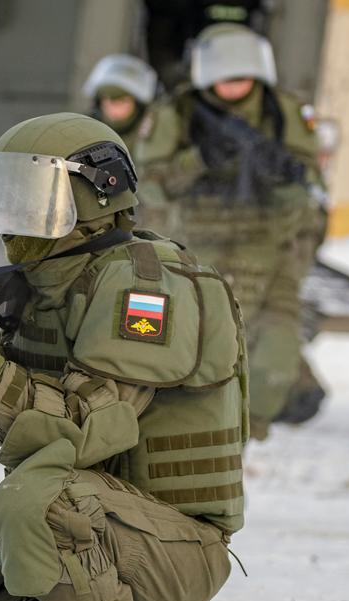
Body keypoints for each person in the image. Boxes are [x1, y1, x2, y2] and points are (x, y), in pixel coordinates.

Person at [0, 112, 246, 601]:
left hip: (174, 545)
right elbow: (12, 432)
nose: (14, 217)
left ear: (98, 193)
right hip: (89, 533)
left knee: (41, 499)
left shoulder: (147, 287)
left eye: (30, 196)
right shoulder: (44, 286)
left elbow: (82, 426)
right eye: (6, 195)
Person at [135, 23, 328, 439]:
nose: (234, 87)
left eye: (242, 78)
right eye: (224, 79)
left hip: (269, 253)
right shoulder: (176, 115)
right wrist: (198, 161)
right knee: (194, 361)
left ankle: (239, 438)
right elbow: (147, 184)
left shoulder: (284, 112)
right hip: (194, 255)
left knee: (273, 364)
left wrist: (286, 179)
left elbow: (310, 186)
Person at [82, 54, 160, 148]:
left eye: (122, 101)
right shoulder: (85, 130)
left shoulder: (152, 131)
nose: (114, 108)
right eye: (109, 100)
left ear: (137, 104)